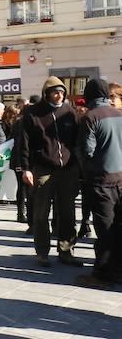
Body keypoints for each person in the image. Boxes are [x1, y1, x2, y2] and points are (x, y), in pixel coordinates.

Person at [19, 76, 82, 267]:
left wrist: (77, 166)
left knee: (68, 212)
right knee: (41, 213)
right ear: (46, 93)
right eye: (55, 92)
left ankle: (66, 251)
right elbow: (24, 143)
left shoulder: (69, 111)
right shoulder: (33, 113)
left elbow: (77, 139)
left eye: (62, 92)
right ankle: (42, 251)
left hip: (68, 170)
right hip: (43, 169)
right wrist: (26, 169)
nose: (59, 95)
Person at [75, 79, 122, 288]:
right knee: (118, 227)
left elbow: (87, 151)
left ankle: (103, 273)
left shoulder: (90, 117)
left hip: (101, 181)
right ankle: (118, 269)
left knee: (104, 229)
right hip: (121, 178)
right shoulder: (120, 114)